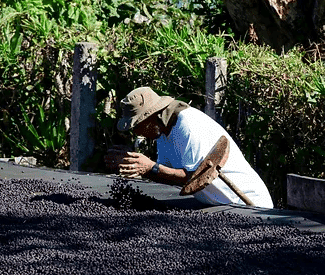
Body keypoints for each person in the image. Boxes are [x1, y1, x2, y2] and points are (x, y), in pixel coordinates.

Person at [104, 86, 274, 209]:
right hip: (219, 205)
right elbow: (169, 176)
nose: (135, 132)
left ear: (151, 117)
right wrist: (139, 167)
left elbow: (196, 178)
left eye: (136, 125)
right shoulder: (162, 132)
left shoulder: (188, 124)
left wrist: (150, 167)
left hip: (247, 203)